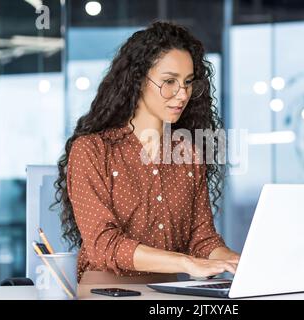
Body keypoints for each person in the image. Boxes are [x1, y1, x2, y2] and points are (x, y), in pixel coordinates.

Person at [54, 21, 240, 284]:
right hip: (107, 289)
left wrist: (233, 261)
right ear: (138, 80)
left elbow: (202, 239)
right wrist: (185, 262)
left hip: (169, 289)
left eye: (188, 83)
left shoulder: (188, 153)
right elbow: (103, 244)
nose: (182, 94)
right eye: (169, 82)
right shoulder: (92, 150)